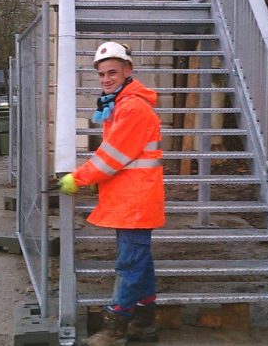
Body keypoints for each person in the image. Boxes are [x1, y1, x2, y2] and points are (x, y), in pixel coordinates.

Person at [58, 41, 165, 346]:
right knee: (138, 261)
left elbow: (111, 157)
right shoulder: (122, 105)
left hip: (135, 201)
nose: (106, 79)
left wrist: (78, 179)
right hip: (131, 199)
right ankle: (144, 325)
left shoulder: (132, 109)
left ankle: (114, 328)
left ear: (128, 71)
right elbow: (118, 157)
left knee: (130, 263)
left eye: (112, 72)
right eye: (102, 74)